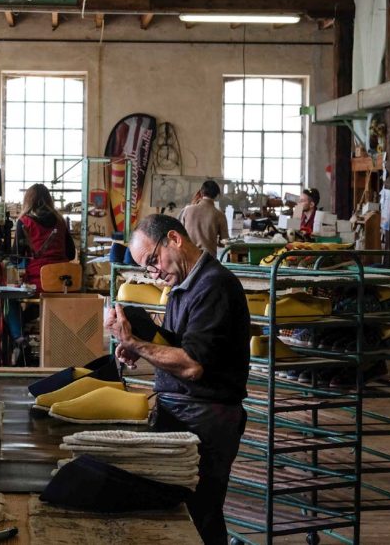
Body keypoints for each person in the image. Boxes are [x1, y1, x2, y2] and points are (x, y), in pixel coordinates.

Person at [105, 214, 250, 545]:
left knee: (200, 515)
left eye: (153, 260)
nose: (155, 272)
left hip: (206, 419)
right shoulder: (182, 287)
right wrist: (141, 348)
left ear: (174, 238)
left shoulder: (214, 286)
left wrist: (136, 343)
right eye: (147, 268)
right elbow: (179, 345)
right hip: (183, 413)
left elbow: (192, 365)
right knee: (185, 513)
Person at [15, 183, 76, 292]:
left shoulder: (25, 222)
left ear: (27, 201)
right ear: (49, 200)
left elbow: (16, 257)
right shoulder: (60, 221)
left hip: (38, 283)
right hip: (64, 282)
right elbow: (71, 254)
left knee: (10, 298)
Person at [178, 179, 229, 258]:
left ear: (201, 192)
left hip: (188, 256)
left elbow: (180, 234)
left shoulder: (187, 210)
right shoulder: (220, 214)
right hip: (208, 259)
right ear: (216, 195)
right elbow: (224, 242)